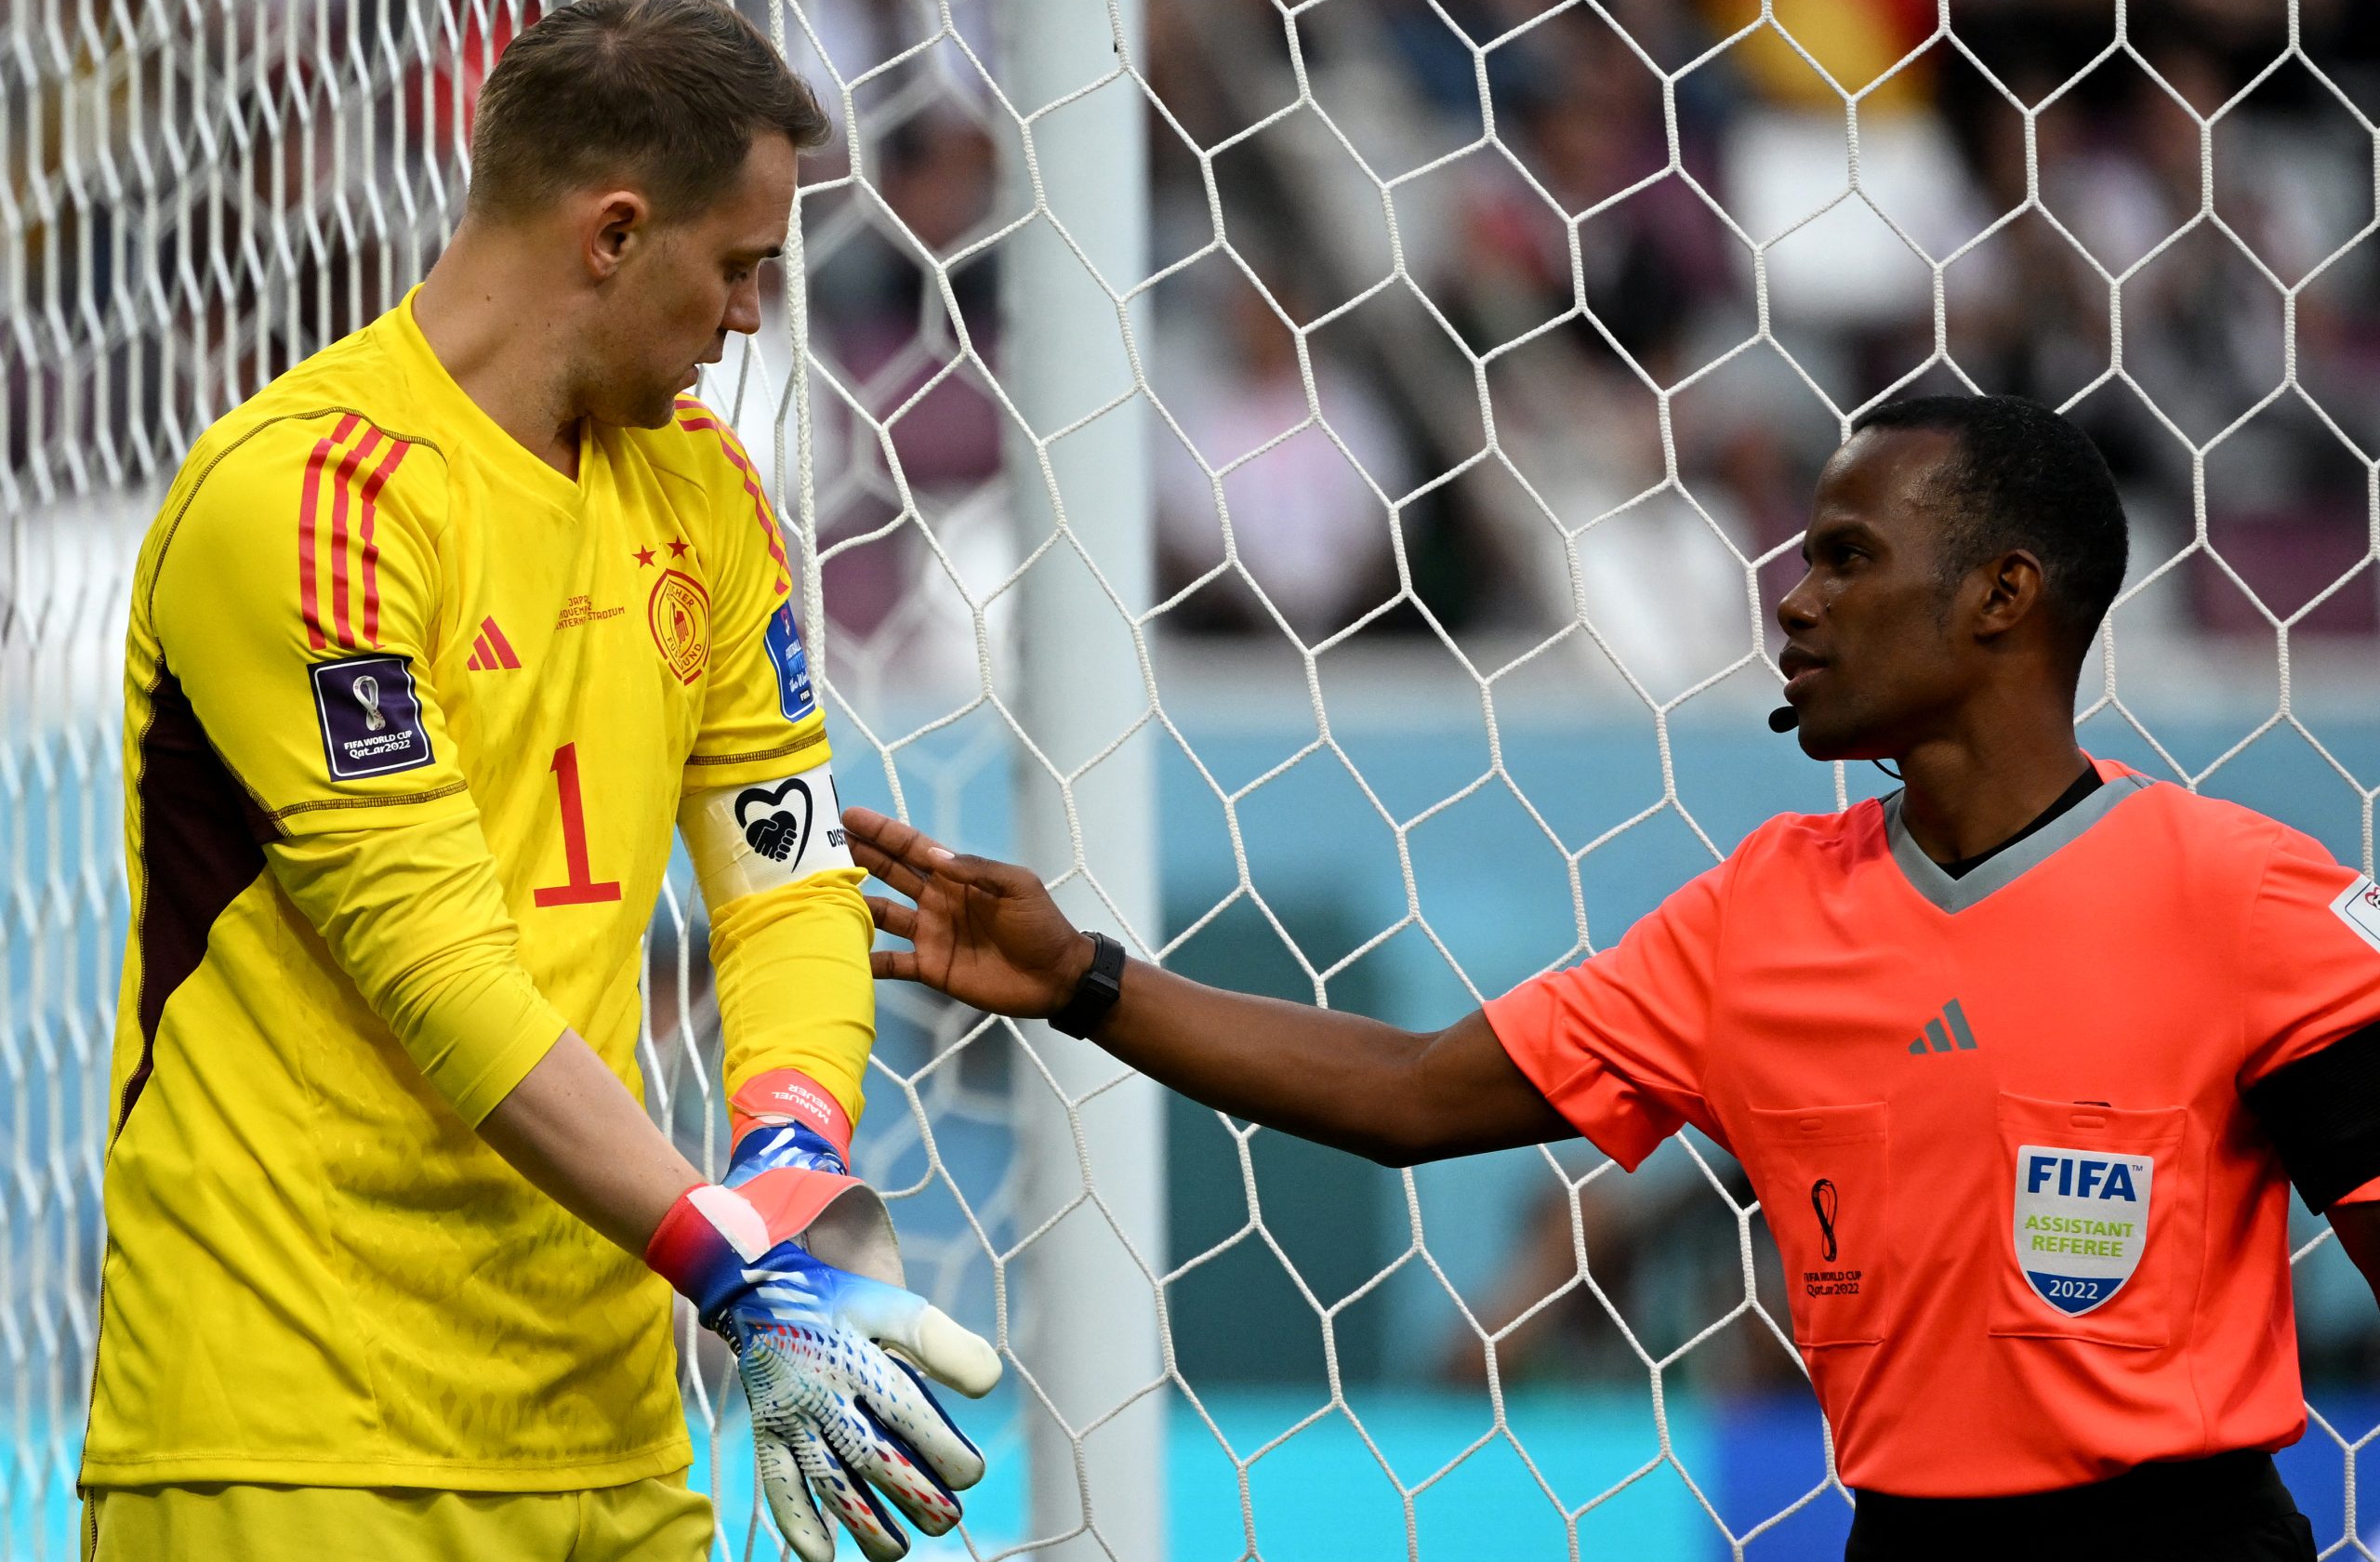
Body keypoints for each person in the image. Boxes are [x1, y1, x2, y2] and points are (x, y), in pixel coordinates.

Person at [851, 394, 2380, 1562]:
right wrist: (1086, 983)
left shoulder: (2239, 897)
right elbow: (1408, 1092)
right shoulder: (1761, 919)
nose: (1793, 601)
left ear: (2003, 597)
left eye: (1848, 560)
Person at [83, 0, 996, 1562]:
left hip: (608, 1431)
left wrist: (785, 1159)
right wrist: (733, 1266)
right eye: (740, 267)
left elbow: (784, 879)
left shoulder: (706, 492)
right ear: (614, 232)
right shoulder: (308, 503)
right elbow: (441, 975)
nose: (752, 319)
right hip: (295, 1428)